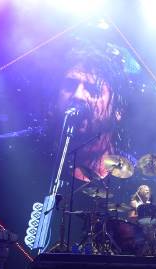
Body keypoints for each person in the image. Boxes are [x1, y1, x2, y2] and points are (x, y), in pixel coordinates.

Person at [56, 44, 128, 182]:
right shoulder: (24, 154)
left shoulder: (130, 181)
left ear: (118, 110)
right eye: (71, 84)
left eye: (93, 89)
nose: (78, 95)